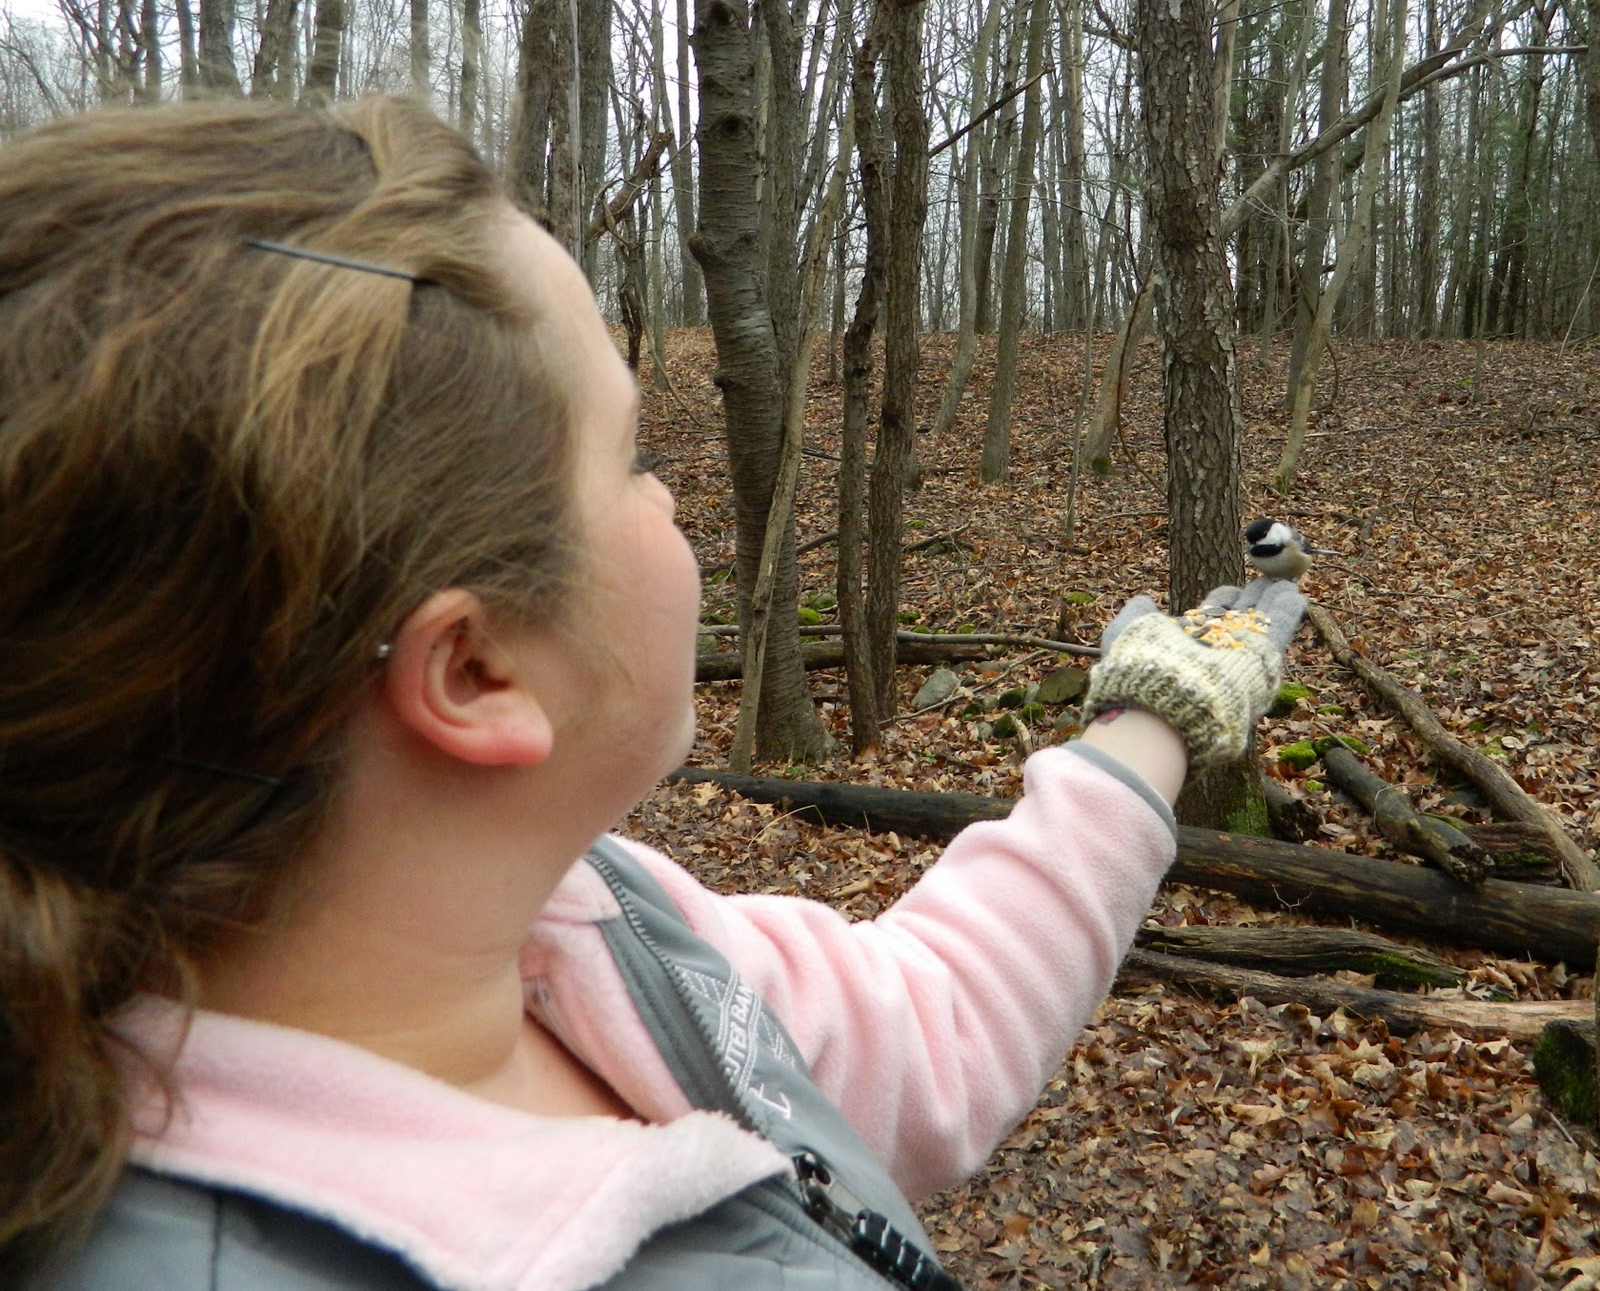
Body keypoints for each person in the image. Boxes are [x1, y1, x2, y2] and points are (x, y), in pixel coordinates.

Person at [0, 95, 1305, 1291]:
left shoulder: (583, 925)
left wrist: (1152, 722)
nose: (669, 496)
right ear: (475, 671)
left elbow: (932, 1026)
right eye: (632, 457)